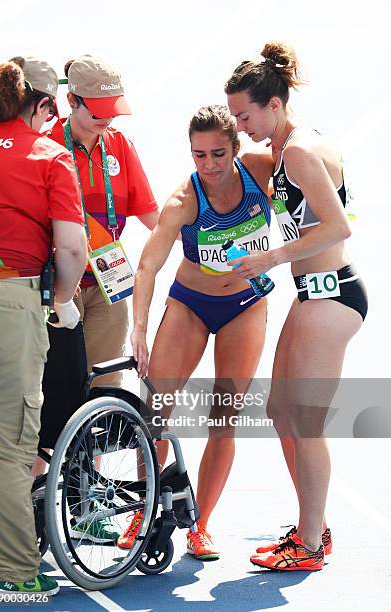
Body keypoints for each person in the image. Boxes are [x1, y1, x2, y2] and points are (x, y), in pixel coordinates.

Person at [225, 41, 368, 571]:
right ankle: (312, 526)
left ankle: (310, 541)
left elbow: (339, 226)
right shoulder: (287, 149)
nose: (242, 126)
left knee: (304, 421)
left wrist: (269, 259)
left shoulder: (301, 151)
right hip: (317, 292)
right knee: (279, 410)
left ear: (274, 105)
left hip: (332, 293)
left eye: (245, 115)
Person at [126, 105, 274, 559]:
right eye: (198, 155)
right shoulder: (184, 200)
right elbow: (148, 266)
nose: (208, 165)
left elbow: (311, 163)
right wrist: (140, 331)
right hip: (191, 305)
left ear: (237, 147)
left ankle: (201, 523)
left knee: (223, 419)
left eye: (218, 154)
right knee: (157, 412)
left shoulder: (263, 170)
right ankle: (144, 508)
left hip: (245, 306)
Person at [35, 55, 159, 543]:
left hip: (107, 287)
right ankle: (39, 499)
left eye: (113, 109)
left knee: (104, 393)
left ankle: (89, 503)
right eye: (97, 110)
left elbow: (154, 216)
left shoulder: (120, 146)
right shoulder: (46, 147)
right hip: (57, 289)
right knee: (51, 395)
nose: (107, 119)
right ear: (71, 102)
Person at [0, 56, 87, 596]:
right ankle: (14, 571)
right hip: (6, 300)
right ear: (45, 105)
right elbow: (71, 247)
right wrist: (63, 303)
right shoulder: (49, 154)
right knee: (5, 447)